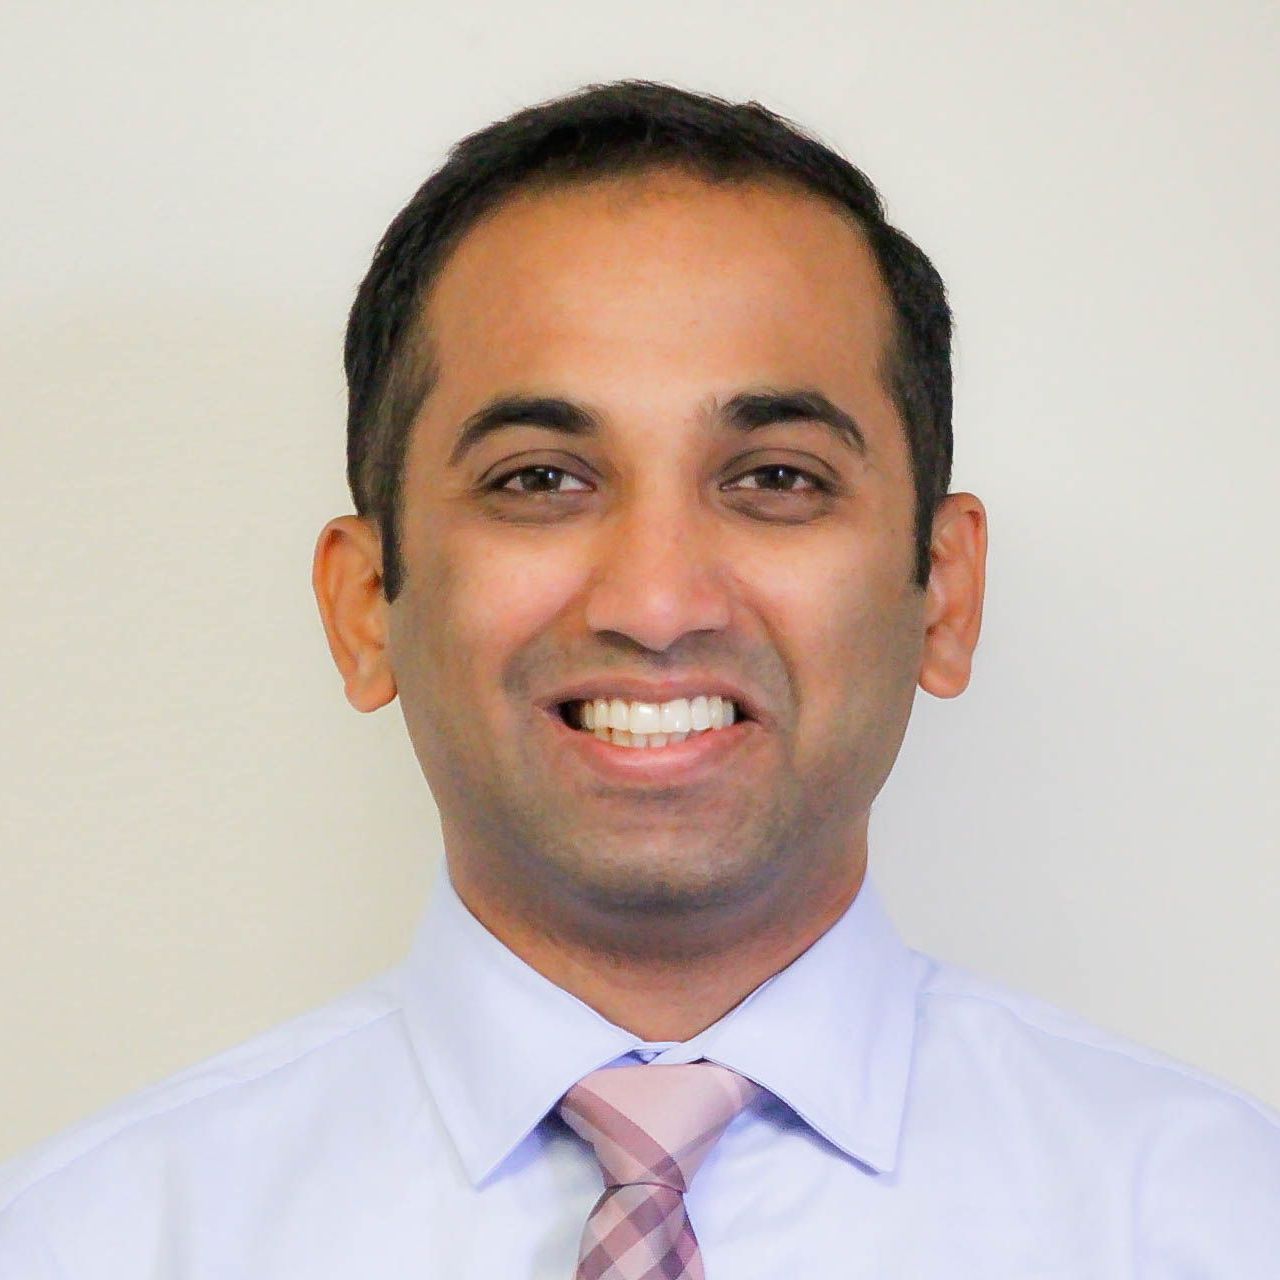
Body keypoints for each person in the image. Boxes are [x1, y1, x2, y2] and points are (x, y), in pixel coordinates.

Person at [2, 79, 1277, 1278]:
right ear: (362, 608)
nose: (656, 604)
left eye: (775, 476)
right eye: (539, 479)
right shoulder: (88, 1238)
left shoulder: (1217, 1221)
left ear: (942, 589)